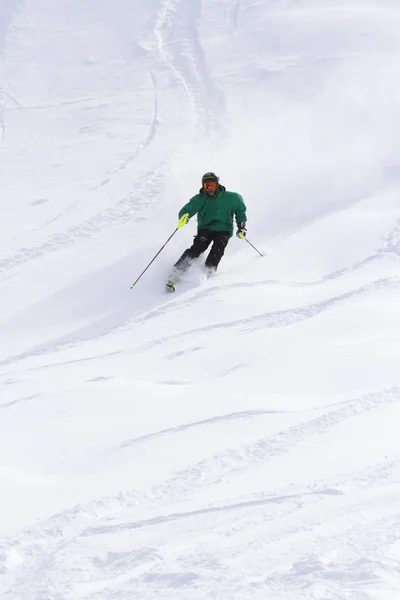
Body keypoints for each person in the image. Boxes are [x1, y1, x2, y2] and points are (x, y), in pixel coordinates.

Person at [167, 172, 247, 289]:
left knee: (218, 248)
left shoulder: (231, 197)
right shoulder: (200, 199)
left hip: (224, 229)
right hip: (206, 227)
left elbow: (240, 211)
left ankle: (208, 271)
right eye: (206, 185)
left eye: (212, 184)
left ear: (217, 184)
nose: (209, 187)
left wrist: (241, 226)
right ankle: (177, 272)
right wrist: (184, 216)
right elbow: (188, 208)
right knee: (198, 246)